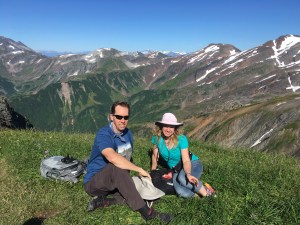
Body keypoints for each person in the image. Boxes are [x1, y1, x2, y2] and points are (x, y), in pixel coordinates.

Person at [83, 101, 172, 223]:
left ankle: (105, 201)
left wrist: (129, 179)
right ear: (111, 117)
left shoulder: (128, 134)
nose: (123, 120)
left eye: (126, 117)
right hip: (95, 183)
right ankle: (147, 213)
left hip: (115, 183)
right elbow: (112, 157)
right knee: (115, 167)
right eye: (119, 117)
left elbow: (127, 157)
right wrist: (139, 169)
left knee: (140, 192)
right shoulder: (103, 134)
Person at [151, 112, 215, 198]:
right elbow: (155, 157)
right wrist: (152, 172)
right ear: (161, 126)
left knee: (182, 178)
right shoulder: (157, 138)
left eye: (171, 127)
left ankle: (208, 194)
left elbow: (186, 160)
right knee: (182, 192)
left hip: (192, 163)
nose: (168, 129)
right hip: (176, 169)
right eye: (166, 126)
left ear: (175, 128)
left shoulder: (181, 139)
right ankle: (199, 189)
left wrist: (188, 174)